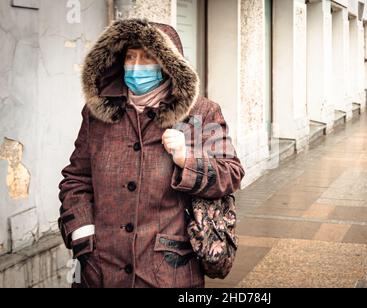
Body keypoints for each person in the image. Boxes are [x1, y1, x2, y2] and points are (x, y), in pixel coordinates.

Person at [58, 19, 245, 288]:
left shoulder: (200, 113)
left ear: (167, 65)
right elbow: (76, 180)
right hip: (101, 271)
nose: (135, 68)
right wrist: (84, 240)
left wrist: (186, 159)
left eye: (147, 59)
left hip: (170, 272)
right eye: (130, 57)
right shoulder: (97, 114)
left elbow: (232, 172)